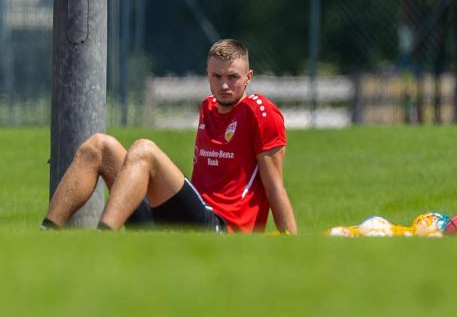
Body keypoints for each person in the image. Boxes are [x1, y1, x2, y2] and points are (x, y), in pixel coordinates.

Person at [41, 39, 298, 234]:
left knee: (145, 150)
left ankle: (104, 240)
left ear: (248, 78)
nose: (224, 85)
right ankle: (45, 236)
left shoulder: (261, 112)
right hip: (186, 222)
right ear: (207, 74)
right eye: (216, 76)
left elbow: (275, 187)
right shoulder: (207, 107)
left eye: (233, 77)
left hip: (222, 229)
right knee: (99, 145)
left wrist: (290, 244)